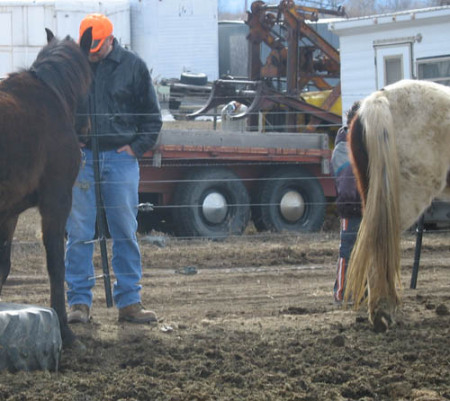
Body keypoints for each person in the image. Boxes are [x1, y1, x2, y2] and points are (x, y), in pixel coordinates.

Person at [65, 14, 163, 323]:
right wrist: (72, 139)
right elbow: (60, 109)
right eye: (88, 48)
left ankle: (129, 302)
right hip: (83, 160)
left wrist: (135, 147)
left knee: (124, 230)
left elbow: (152, 117)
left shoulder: (133, 67)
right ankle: (79, 304)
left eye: (96, 47)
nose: (91, 53)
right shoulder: (75, 68)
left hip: (120, 159)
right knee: (79, 232)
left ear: (110, 40)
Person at [331, 101, 361, 303]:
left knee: (358, 250)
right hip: (353, 207)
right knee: (348, 250)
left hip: (361, 206)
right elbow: (350, 179)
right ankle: (342, 293)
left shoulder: (354, 145)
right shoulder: (344, 147)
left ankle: (360, 292)